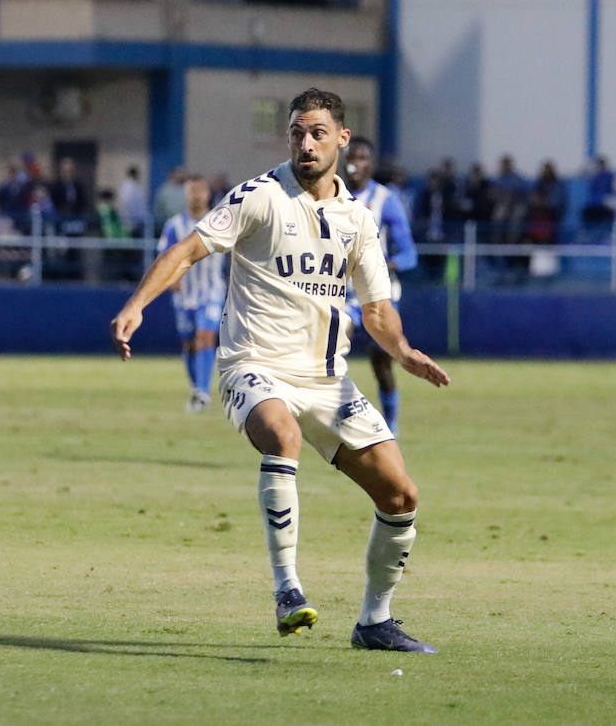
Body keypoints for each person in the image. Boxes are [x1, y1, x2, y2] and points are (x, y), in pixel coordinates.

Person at [110, 88, 450, 654]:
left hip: (326, 380)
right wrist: (136, 304)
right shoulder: (260, 195)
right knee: (282, 435)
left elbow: (376, 307)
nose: (306, 142)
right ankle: (287, 589)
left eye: (317, 132)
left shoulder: (358, 220)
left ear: (342, 138)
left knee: (400, 496)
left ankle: (374, 622)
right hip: (254, 365)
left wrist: (404, 351)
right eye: (296, 132)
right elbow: (189, 251)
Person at [342, 137, 419, 436]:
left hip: (380, 296)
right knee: (333, 345)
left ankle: (391, 425)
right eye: (351, 157)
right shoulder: (331, 195)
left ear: (370, 164)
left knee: (381, 364)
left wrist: (387, 264)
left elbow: (410, 253)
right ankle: (339, 413)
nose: (354, 164)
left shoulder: (386, 200)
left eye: (361, 158)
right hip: (343, 295)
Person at [157, 175, 227, 412]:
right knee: (189, 344)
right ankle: (197, 388)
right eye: (191, 191)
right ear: (186, 195)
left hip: (212, 291)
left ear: (207, 194)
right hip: (185, 294)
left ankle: (203, 392)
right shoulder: (175, 225)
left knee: (205, 336)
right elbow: (165, 257)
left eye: (199, 190)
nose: (196, 195)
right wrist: (171, 278)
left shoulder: (219, 221)